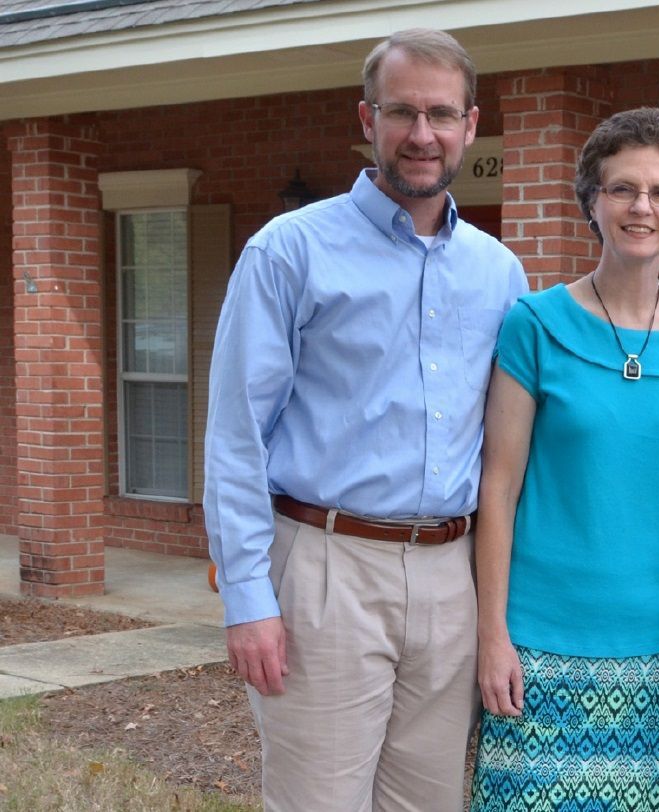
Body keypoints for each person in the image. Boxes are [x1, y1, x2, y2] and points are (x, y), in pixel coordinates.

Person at [203, 28, 528, 811]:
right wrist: (248, 598)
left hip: (452, 574)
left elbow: (511, 444)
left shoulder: (498, 271)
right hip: (325, 563)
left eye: (442, 115)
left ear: (471, 126)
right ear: (366, 118)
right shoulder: (290, 251)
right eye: (402, 112)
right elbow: (235, 434)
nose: (423, 135)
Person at [469, 107, 659, 811]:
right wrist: (492, 635)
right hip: (536, 642)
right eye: (621, 189)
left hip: (656, 647)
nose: (639, 207)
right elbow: (497, 489)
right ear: (592, 200)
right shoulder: (536, 324)